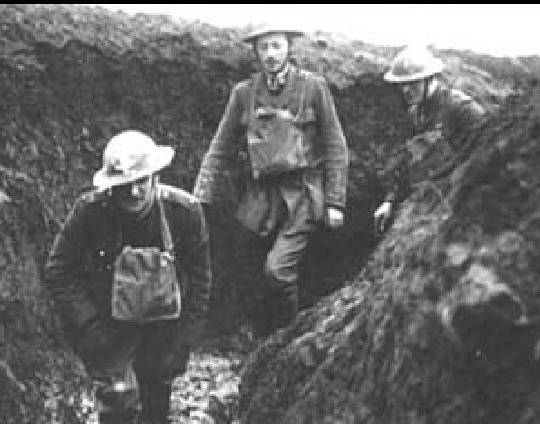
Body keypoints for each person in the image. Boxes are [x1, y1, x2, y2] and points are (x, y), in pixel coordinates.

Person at [44, 130, 211, 424]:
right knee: (118, 395)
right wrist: (89, 326)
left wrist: (185, 340)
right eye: (124, 185)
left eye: (142, 182)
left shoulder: (184, 212)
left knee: (157, 393)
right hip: (110, 323)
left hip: (164, 322)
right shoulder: (90, 212)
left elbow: (202, 278)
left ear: (156, 178)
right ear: (110, 186)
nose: (133, 192)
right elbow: (59, 269)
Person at [193, 24, 348, 336]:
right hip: (262, 194)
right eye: (263, 48)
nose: (270, 54)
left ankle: (287, 337)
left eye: (276, 46)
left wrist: (335, 201)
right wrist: (202, 192)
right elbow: (220, 146)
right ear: (255, 52)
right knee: (244, 257)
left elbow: (336, 146)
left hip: (302, 193)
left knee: (277, 271)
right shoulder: (244, 94)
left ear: (289, 47)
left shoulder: (313, 88)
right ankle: (259, 330)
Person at [374, 44, 487, 233]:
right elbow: (410, 161)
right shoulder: (416, 112)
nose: (406, 90)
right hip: (426, 198)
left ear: (430, 79)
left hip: (457, 204)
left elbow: (484, 158)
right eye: (402, 84)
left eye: (413, 83)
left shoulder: (462, 109)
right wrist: (389, 201)